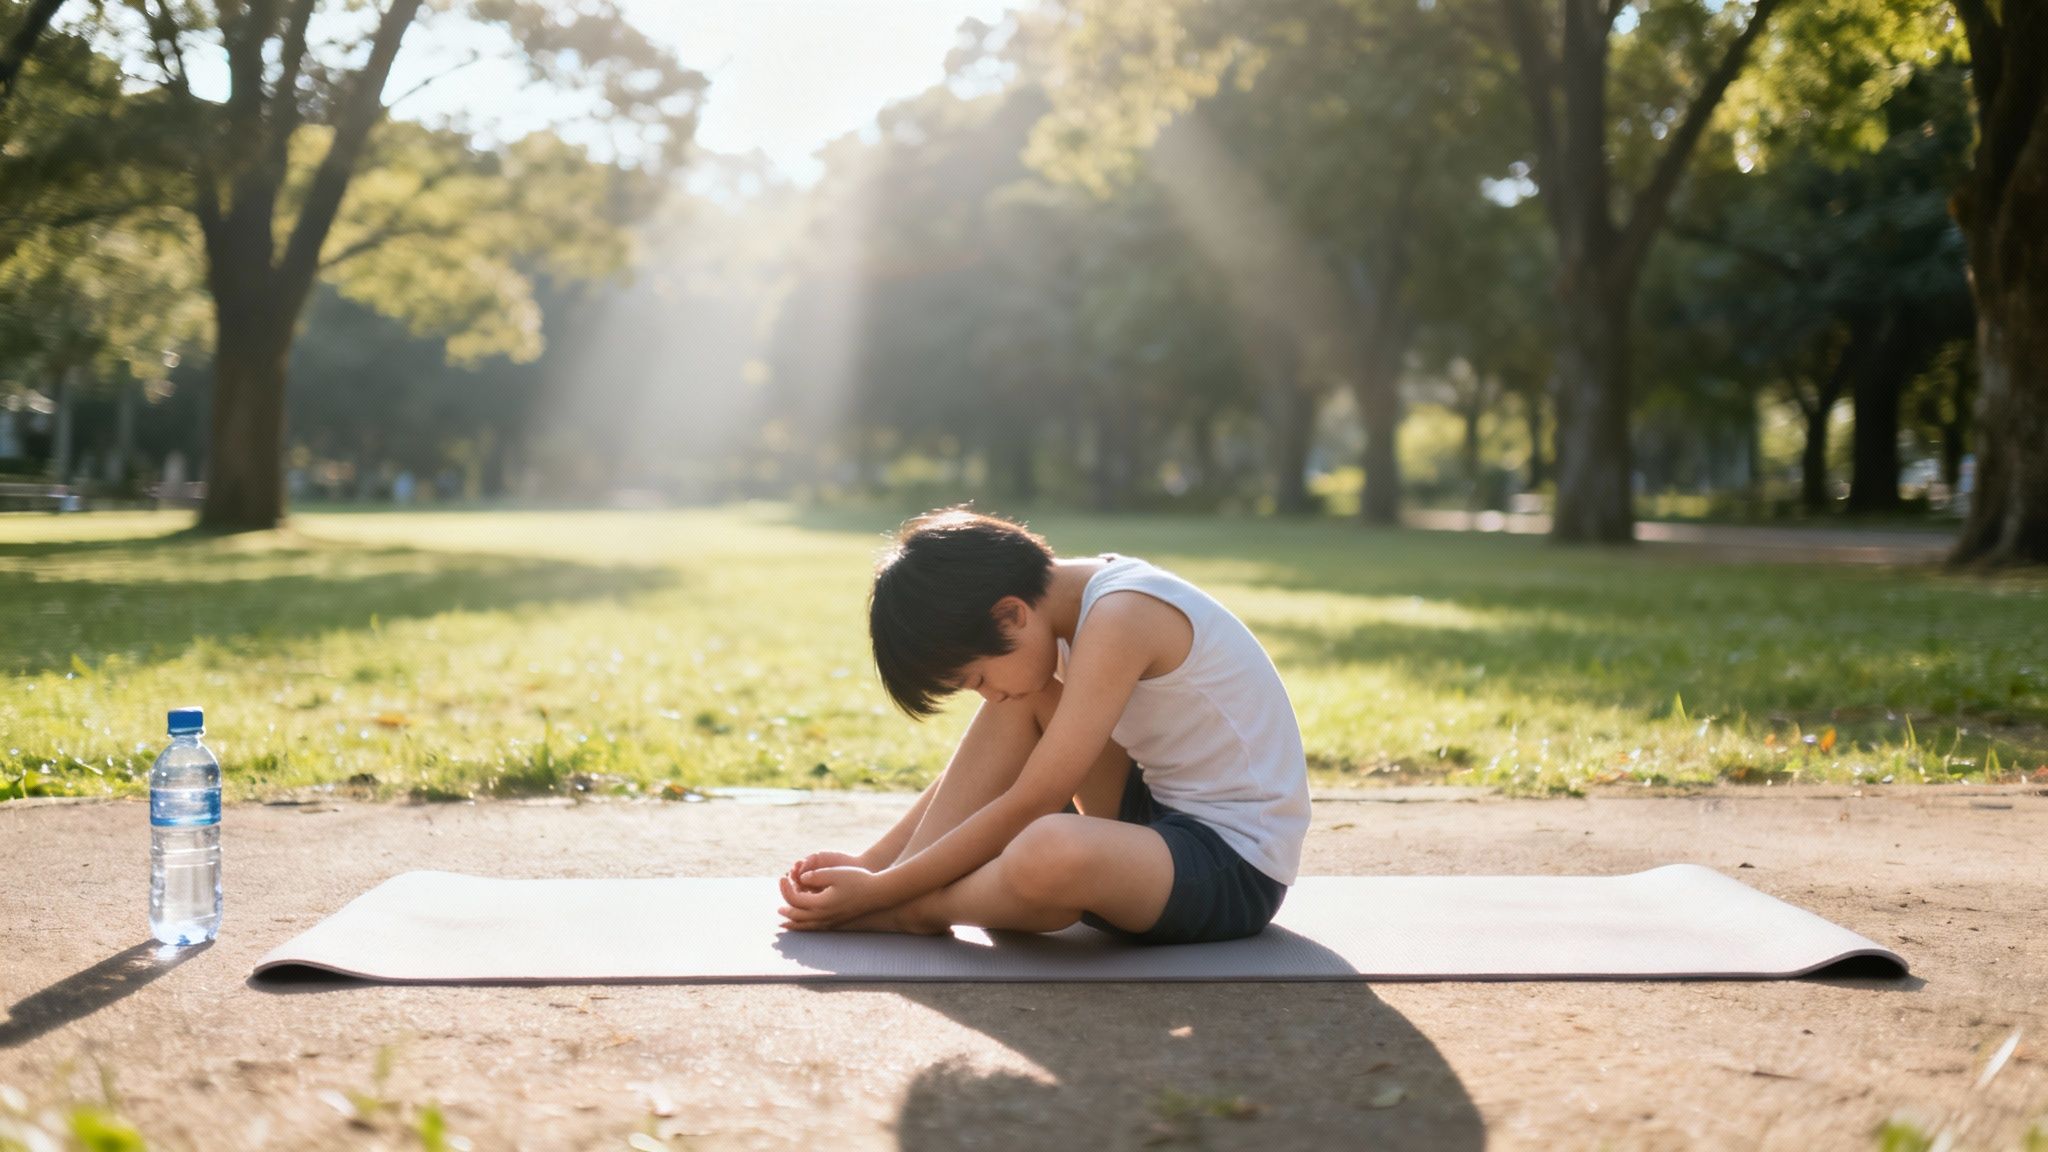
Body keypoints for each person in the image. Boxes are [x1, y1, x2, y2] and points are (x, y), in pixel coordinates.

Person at [778, 507, 1309, 945]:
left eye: (978, 677)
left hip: (1234, 864)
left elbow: (1035, 796)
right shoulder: (1060, 606)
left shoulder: (1122, 615)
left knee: (1048, 846)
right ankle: (904, 884)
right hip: (1155, 817)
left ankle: (918, 909)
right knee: (1020, 702)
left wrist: (883, 894)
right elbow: (991, 772)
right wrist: (875, 865)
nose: (987, 693)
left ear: (1010, 615)